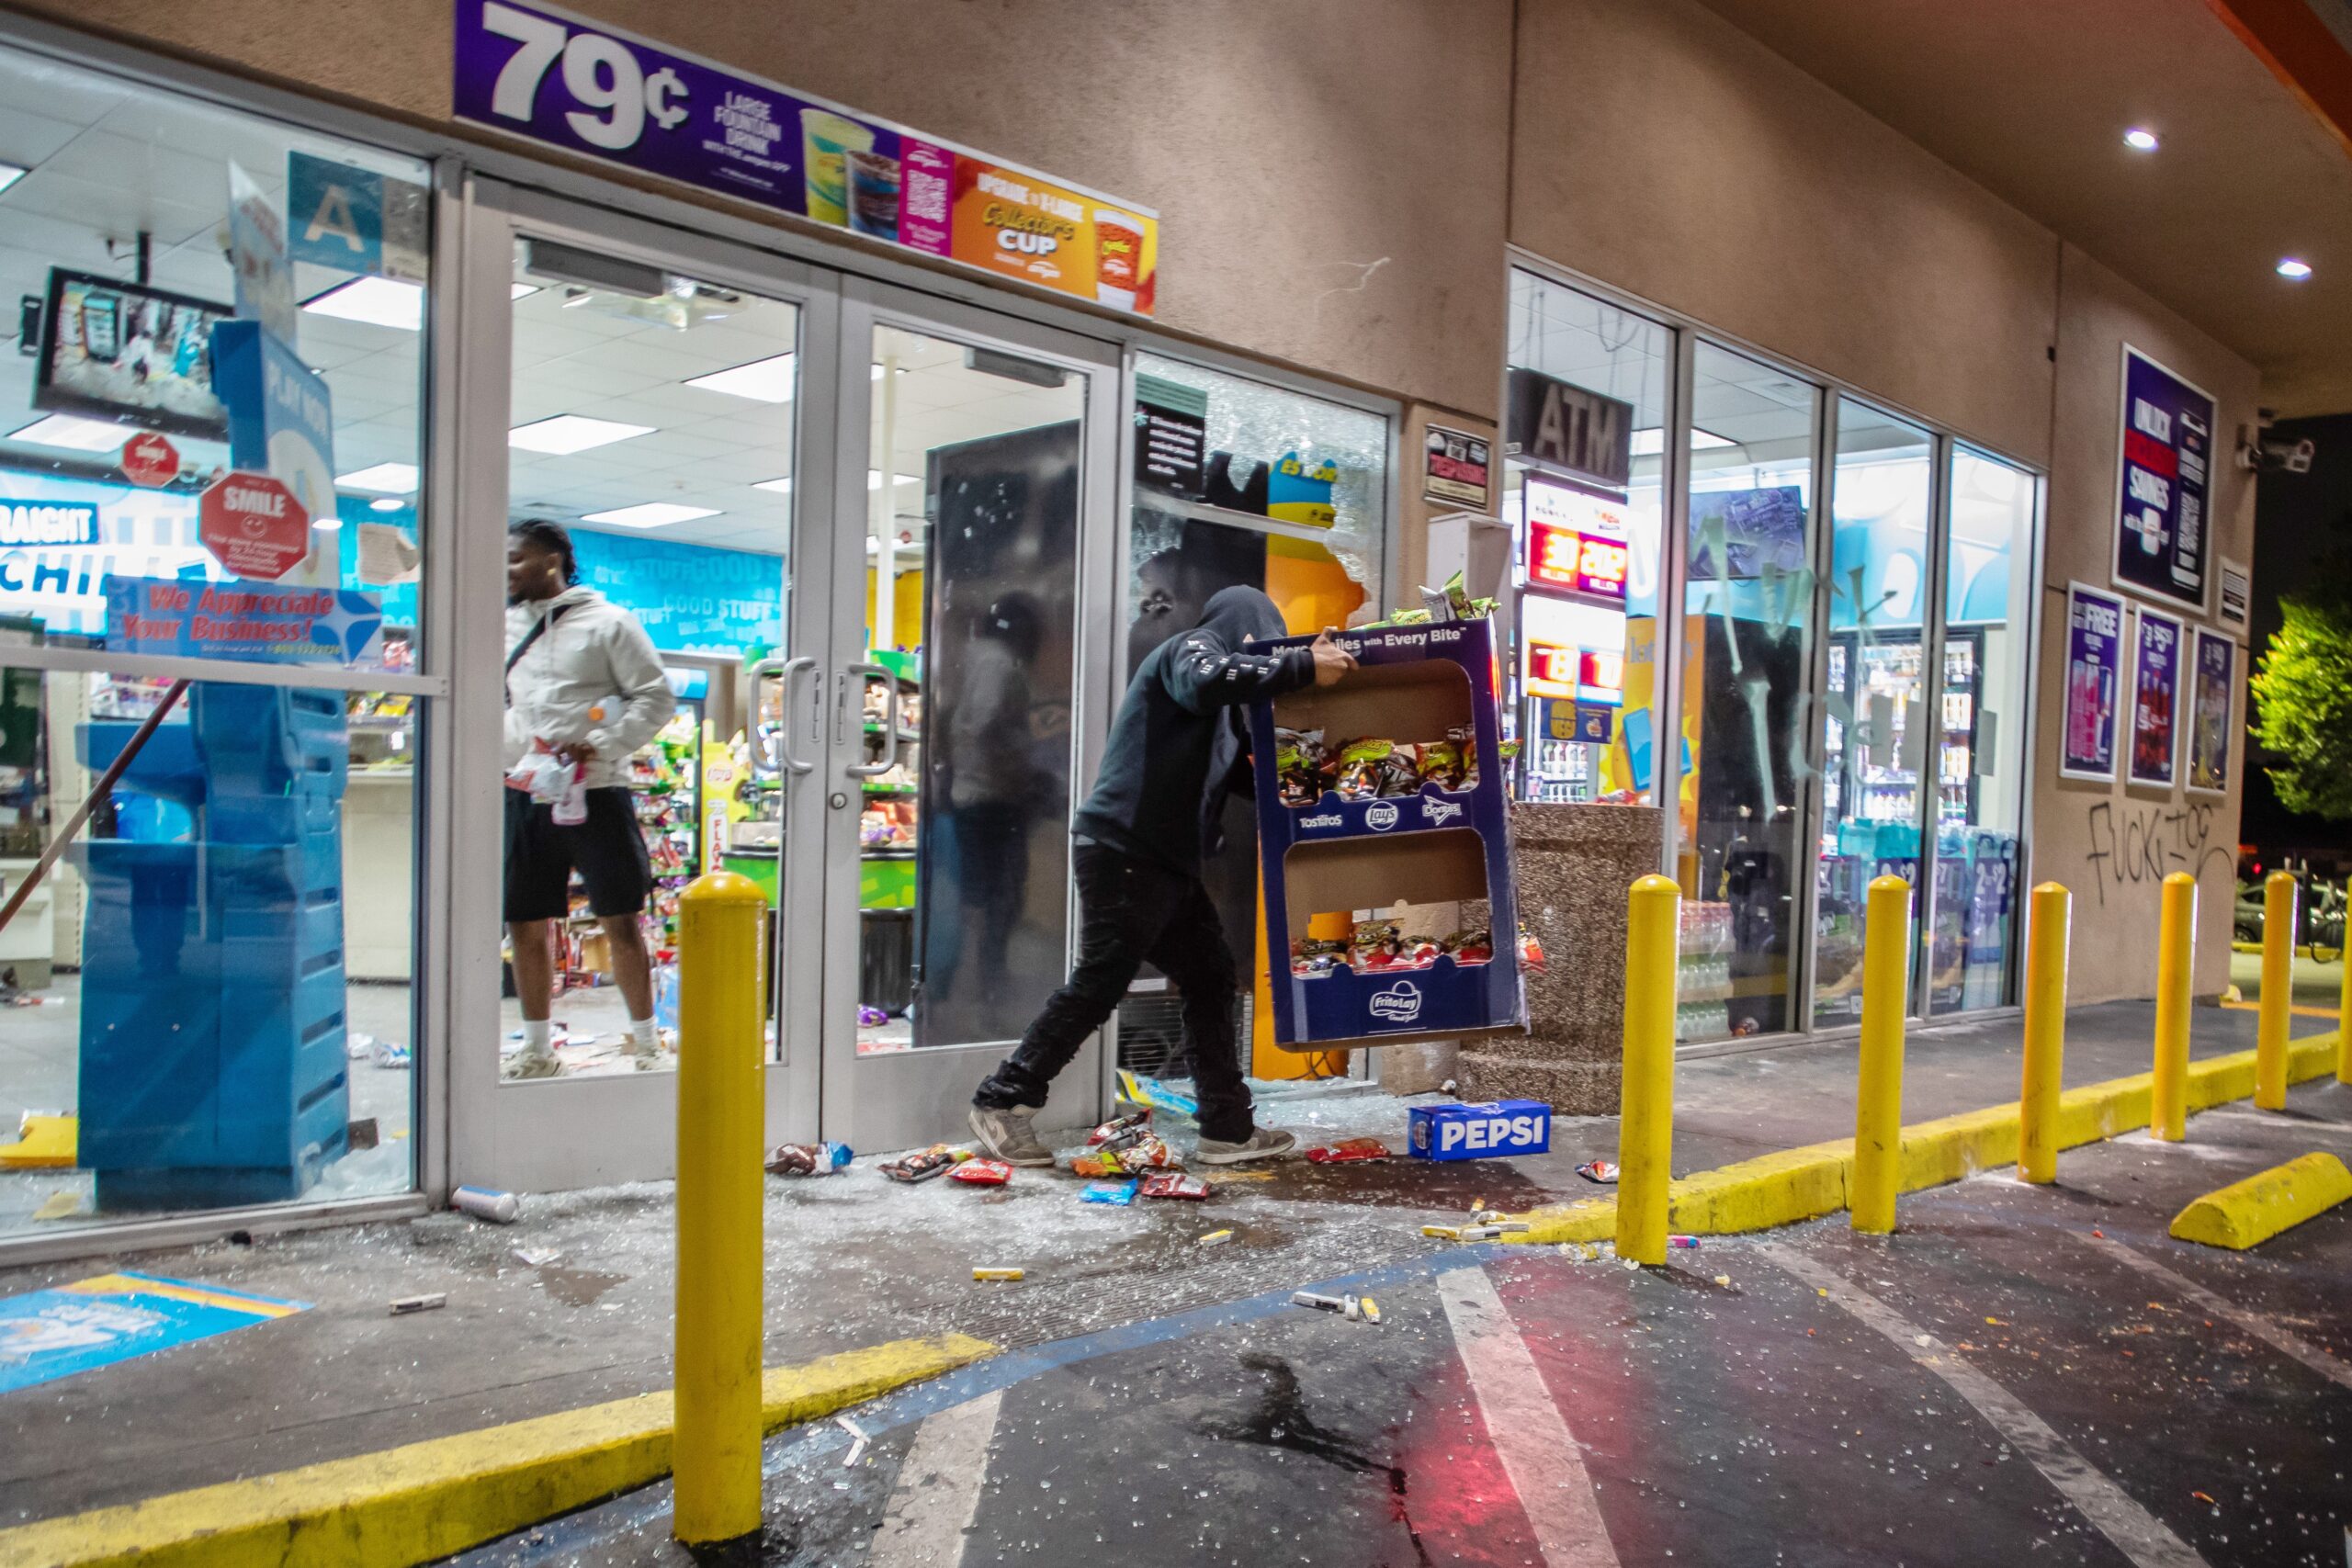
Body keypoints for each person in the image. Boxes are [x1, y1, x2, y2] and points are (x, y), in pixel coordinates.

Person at [968, 587, 1353, 1165]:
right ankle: (1001, 1101)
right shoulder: (1190, 649)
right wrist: (1298, 664)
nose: (1259, 656)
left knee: (1210, 976)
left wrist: (1336, 786)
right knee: (1103, 978)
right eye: (1258, 641)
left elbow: (1249, 780)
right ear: (1240, 626)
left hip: (1162, 860)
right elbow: (1209, 678)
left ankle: (1226, 1128)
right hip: (1125, 847)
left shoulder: (1225, 713)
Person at [502, 519, 677, 1077]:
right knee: (524, 919)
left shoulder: (609, 624)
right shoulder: (497, 628)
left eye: (516, 559)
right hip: (524, 791)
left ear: (551, 561)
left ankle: (646, 1042)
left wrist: (598, 743)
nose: (505, 570)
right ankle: (537, 1048)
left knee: (620, 917)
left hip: (595, 790)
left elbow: (656, 698)